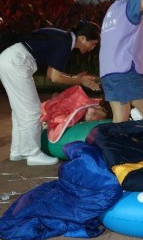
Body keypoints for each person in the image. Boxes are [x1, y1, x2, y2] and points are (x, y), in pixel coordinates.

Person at [0, 21, 101, 166]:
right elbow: (55, 77)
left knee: (21, 110)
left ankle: (18, 151)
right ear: (83, 38)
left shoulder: (63, 37)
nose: (92, 48)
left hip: (10, 58)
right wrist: (80, 81)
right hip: (16, 61)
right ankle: (32, 153)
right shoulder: (65, 43)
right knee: (32, 111)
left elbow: (50, 74)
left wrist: (78, 79)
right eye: (93, 43)